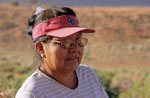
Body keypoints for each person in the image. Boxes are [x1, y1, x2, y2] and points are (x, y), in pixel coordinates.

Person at [15, 6, 108, 98]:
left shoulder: (88, 75)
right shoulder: (32, 94)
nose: (75, 48)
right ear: (41, 48)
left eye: (78, 40)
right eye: (65, 43)